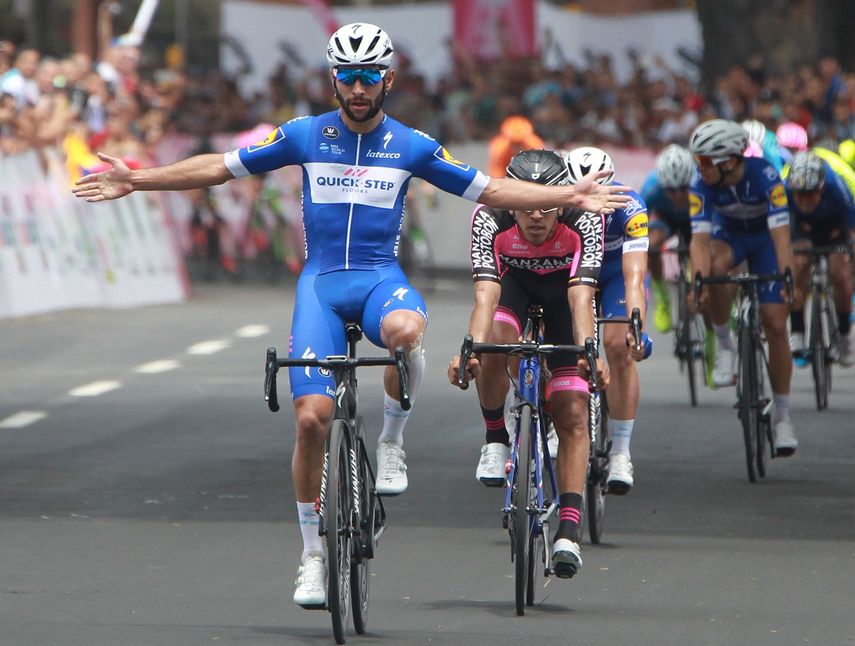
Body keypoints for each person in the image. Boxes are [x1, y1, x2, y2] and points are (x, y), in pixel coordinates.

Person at [72, 22, 631, 609]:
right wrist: (136, 179)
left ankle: (391, 441)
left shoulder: (411, 145)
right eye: (347, 77)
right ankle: (313, 555)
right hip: (320, 285)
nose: (357, 88)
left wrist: (567, 197)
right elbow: (220, 166)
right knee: (311, 420)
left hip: (378, 280)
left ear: (387, 79)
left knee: (406, 331)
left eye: (368, 76)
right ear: (333, 79)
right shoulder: (304, 135)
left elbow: (491, 192)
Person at [447, 149, 609, 578]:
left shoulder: (584, 218)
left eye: (547, 207)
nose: (536, 216)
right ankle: (496, 436)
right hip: (513, 289)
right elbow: (486, 294)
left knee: (573, 413)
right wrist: (471, 349)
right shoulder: (490, 217)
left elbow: (582, 297)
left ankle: (568, 531)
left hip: (565, 297)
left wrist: (590, 350)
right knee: (494, 342)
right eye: (526, 206)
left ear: (563, 201)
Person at [688, 118, 798, 456]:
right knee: (715, 268)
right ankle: (724, 342)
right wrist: (698, 283)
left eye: (705, 160)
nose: (699, 167)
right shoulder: (700, 183)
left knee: (775, 324)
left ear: (729, 161)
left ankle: (783, 416)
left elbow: (782, 236)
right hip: (729, 235)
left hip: (765, 239)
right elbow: (699, 241)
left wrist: (787, 278)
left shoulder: (765, 175)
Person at [564, 146, 652, 494]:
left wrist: (635, 327)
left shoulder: (629, 206)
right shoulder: (560, 206)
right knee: (560, 339)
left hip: (615, 273)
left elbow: (634, 277)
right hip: (574, 272)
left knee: (619, 346)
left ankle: (620, 451)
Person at [785, 151, 855, 366]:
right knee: (799, 265)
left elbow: (852, 228)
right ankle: (797, 329)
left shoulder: (837, 188)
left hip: (834, 228)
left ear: (822, 188)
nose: (805, 201)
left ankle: (844, 332)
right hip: (801, 227)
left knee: (839, 273)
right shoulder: (785, 189)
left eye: (810, 194)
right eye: (800, 195)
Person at [642, 144, 696, 333]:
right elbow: (638, 222)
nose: (678, 195)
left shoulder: (699, 182)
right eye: (671, 191)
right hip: (666, 218)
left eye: (683, 189)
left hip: (693, 218)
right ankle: (662, 301)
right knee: (651, 245)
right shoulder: (651, 187)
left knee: (699, 248)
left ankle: (695, 288)